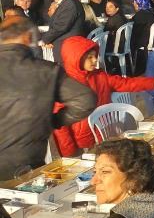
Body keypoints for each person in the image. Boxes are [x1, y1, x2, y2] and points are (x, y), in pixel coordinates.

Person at [0, 17, 96, 180]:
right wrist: (52, 121)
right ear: (28, 38)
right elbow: (85, 100)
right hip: (24, 165)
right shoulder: (46, 71)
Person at [53, 36, 154, 157]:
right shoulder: (65, 86)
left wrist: (151, 83)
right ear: (75, 58)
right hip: (82, 143)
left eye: (95, 56)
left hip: (105, 133)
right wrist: (69, 151)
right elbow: (60, 125)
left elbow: (125, 83)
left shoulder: (100, 76)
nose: (95, 60)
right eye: (89, 57)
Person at [41, 0, 86, 65]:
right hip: (63, 44)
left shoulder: (69, 4)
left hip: (66, 47)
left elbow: (60, 27)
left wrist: (43, 40)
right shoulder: (67, 2)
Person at [130, 0, 154, 75]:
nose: (134, 6)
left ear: (140, 4)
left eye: (136, 4)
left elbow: (134, 25)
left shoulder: (141, 14)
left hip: (146, 40)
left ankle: (131, 67)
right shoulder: (152, 11)